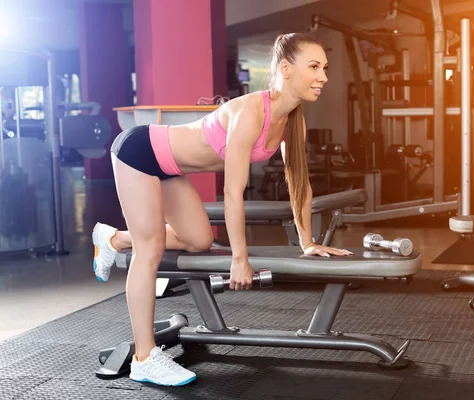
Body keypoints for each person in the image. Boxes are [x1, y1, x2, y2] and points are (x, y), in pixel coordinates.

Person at [92, 32, 353, 387]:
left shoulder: (293, 119)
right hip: (139, 152)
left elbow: (299, 183)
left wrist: (307, 241)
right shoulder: (251, 111)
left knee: (198, 241)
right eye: (314, 67)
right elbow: (232, 192)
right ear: (286, 69)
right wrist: (239, 258)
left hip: (169, 168)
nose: (323, 75)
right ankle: (144, 357)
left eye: (324, 67)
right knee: (150, 247)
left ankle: (113, 240)